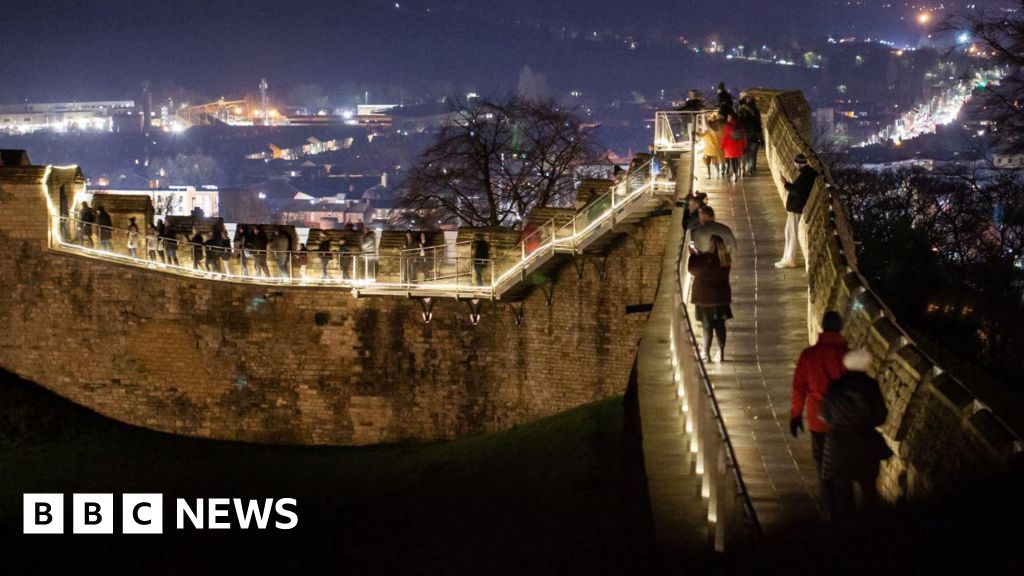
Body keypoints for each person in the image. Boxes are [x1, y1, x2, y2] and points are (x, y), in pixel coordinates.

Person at [790, 311, 849, 515]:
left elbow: (799, 387)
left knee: (823, 468)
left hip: (818, 422)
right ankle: (847, 514)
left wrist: (796, 415)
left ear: (823, 327)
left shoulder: (809, 355)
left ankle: (830, 512)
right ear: (840, 328)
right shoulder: (848, 356)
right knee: (843, 468)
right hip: (844, 422)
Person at [820, 349, 890, 520]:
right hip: (864, 443)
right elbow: (880, 416)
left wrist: (837, 422)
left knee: (842, 491)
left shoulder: (835, 386)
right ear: (865, 366)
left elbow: (823, 415)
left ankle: (846, 526)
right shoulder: (871, 386)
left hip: (838, 445)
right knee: (868, 488)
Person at [688, 234, 733, 362]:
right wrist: (700, 255)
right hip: (721, 297)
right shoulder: (725, 258)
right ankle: (721, 352)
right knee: (720, 325)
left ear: (711, 244)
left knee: (707, 326)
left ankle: (706, 354)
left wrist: (693, 255)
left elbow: (693, 270)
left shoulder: (703, 258)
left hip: (704, 297)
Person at [776, 154, 819, 269]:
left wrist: (785, 183)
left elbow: (799, 192)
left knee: (792, 233)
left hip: (796, 207)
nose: (794, 165)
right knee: (788, 232)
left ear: (799, 163)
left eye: (795, 163)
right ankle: (786, 257)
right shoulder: (808, 173)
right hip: (795, 207)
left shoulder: (805, 175)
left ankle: (790, 259)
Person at [738, 96, 763, 175]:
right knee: (753, 153)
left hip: (745, 136)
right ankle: (752, 167)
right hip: (754, 135)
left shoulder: (742, 111)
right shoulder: (755, 111)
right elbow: (758, 124)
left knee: (747, 153)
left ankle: (747, 167)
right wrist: (760, 138)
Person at [720, 113, 747, 182]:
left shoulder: (726, 126)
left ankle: (734, 174)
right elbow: (744, 136)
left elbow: (724, 136)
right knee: (737, 159)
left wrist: (722, 145)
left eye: (728, 117)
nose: (727, 118)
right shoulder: (740, 125)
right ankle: (736, 171)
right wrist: (744, 145)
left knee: (732, 161)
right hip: (739, 145)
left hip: (729, 146)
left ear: (731, 118)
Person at [697, 114, 724, 179]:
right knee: (715, 163)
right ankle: (717, 173)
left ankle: (709, 174)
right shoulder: (718, 131)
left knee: (707, 163)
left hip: (708, 150)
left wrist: (696, 133)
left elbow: (701, 136)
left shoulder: (707, 132)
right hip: (715, 150)